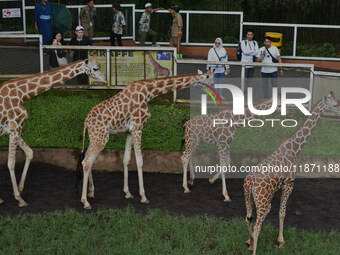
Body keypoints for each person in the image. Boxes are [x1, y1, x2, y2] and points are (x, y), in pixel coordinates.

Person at [241, 29, 259, 94]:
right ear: (246, 35)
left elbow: (257, 52)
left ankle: (248, 90)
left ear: (253, 35)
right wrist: (253, 51)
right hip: (244, 64)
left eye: (251, 35)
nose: (249, 36)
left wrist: (249, 52)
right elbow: (244, 52)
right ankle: (243, 89)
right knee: (244, 78)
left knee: (250, 78)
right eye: (248, 35)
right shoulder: (243, 42)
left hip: (252, 63)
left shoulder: (255, 42)